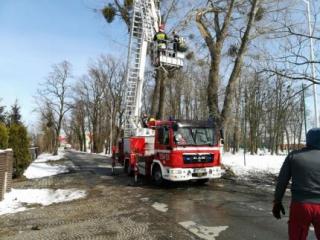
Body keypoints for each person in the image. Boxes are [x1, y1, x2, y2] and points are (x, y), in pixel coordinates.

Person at [273, 128, 320, 240]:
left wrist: (277, 201)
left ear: (308, 140)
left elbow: (282, 181)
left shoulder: (294, 156)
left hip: (300, 205)